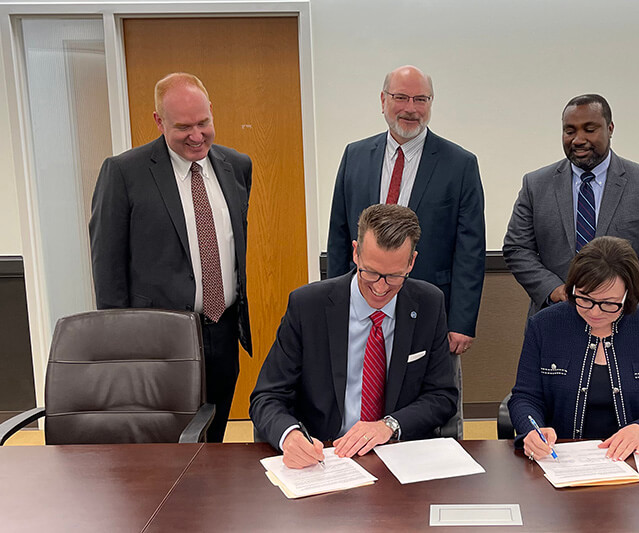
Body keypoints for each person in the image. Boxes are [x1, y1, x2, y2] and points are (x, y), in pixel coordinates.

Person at [89, 72, 252, 443]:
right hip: (157, 342)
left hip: (222, 330)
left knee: (214, 440)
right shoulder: (124, 172)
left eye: (203, 123)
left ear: (212, 111)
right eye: (183, 127)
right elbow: (107, 266)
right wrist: (121, 349)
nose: (197, 136)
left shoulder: (237, 166)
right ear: (158, 121)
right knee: (164, 449)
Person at [251, 204, 457, 468]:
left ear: (411, 262)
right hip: (324, 456)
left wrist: (389, 426)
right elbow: (267, 396)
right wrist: (289, 435)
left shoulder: (429, 304)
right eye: (370, 272)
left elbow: (442, 396)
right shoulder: (308, 306)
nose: (380, 288)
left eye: (394, 276)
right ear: (356, 253)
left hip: (398, 457)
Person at [327, 65, 485, 357]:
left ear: (431, 104)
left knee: (432, 396)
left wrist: (462, 321)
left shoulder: (460, 165)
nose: (411, 109)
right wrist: (333, 305)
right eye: (401, 97)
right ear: (383, 100)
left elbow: (470, 250)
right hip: (361, 304)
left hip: (430, 307)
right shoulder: (355, 156)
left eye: (421, 100)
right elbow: (339, 236)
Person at [508, 236, 639, 461]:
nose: (595, 312)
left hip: (634, 459)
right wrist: (532, 430)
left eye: (609, 304)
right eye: (584, 299)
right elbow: (525, 397)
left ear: (628, 295)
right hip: (561, 460)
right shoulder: (544, 326)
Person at [503, 94, 639, 317]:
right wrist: (553, 289)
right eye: (570, 131)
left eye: (589, 129)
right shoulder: (535, 184)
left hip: (629, 314)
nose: (578, 139)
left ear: (610, 129)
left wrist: (614, 289)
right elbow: (517, 248)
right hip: (556, 314)